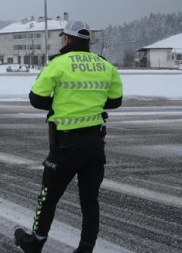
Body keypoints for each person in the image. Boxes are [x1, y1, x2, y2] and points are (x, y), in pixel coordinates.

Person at [14, 20, 123, 253]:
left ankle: (35, 243)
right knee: (90, 201)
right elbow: (115, 100)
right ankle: (85, 249)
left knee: (48, 197)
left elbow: (36, 98)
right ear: (88, 41)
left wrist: (63, 103)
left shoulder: (58, 63)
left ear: (67, 39)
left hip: (65, 146)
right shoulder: (104, 65)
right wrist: (90, 103)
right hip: (95, 145)